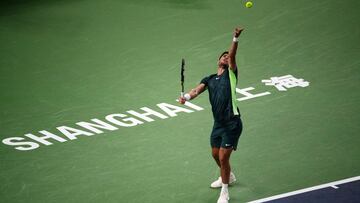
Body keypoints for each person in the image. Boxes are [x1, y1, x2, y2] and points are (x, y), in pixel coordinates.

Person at [178, 27, 244, 203]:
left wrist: (235, 39)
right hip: (218, 124)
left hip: (232, 122)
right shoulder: (209, 78)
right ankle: (228, 176)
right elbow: (196, 90)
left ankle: (225, 192)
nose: (226, 57)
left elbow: (233, 55)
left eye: (228, 56)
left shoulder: (231, 74)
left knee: (223, 157)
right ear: (218, 60)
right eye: (224, 56)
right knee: (215, 154)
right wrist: (186, 97)